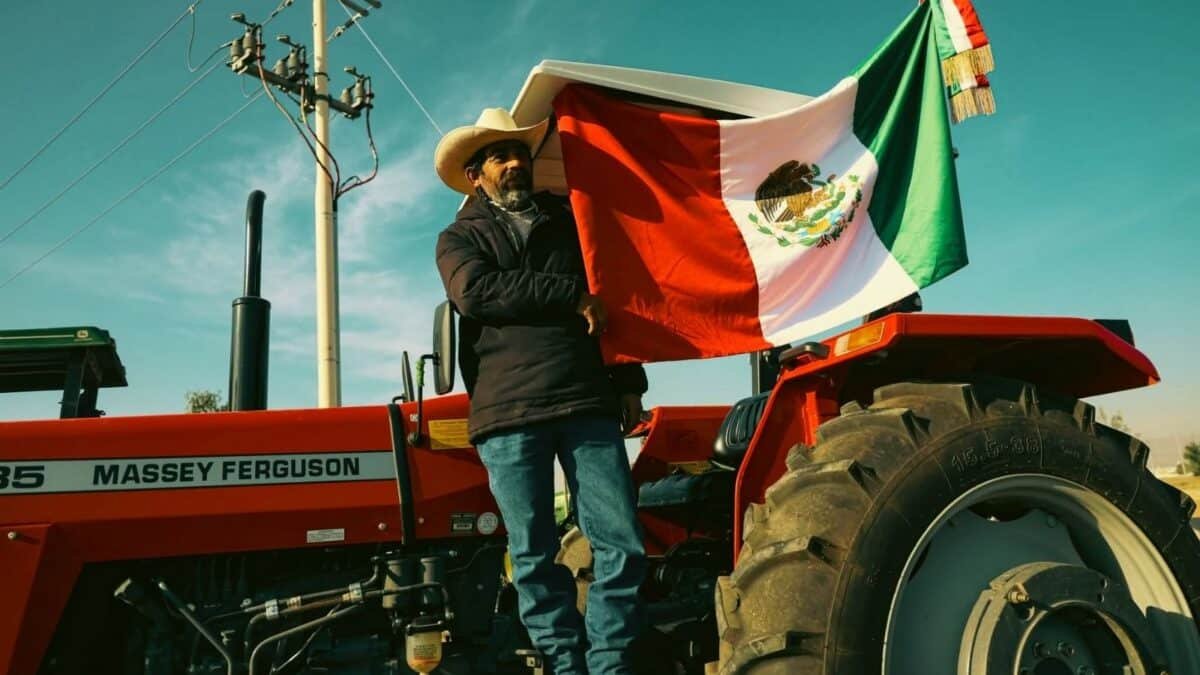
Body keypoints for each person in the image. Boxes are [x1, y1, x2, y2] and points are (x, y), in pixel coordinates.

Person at [433, 108, 648, 675]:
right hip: (507, 412)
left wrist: (629, 382)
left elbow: (613, 294)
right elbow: (476, 293)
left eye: (519, 155)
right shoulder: (458, 237)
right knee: (532, 556)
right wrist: (566, 295)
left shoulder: (572, 221)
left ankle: (610, 667)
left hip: (586, 399)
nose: (514, 165)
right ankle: (563, 666)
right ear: (475, 175)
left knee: (620, 544)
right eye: (500, 158)